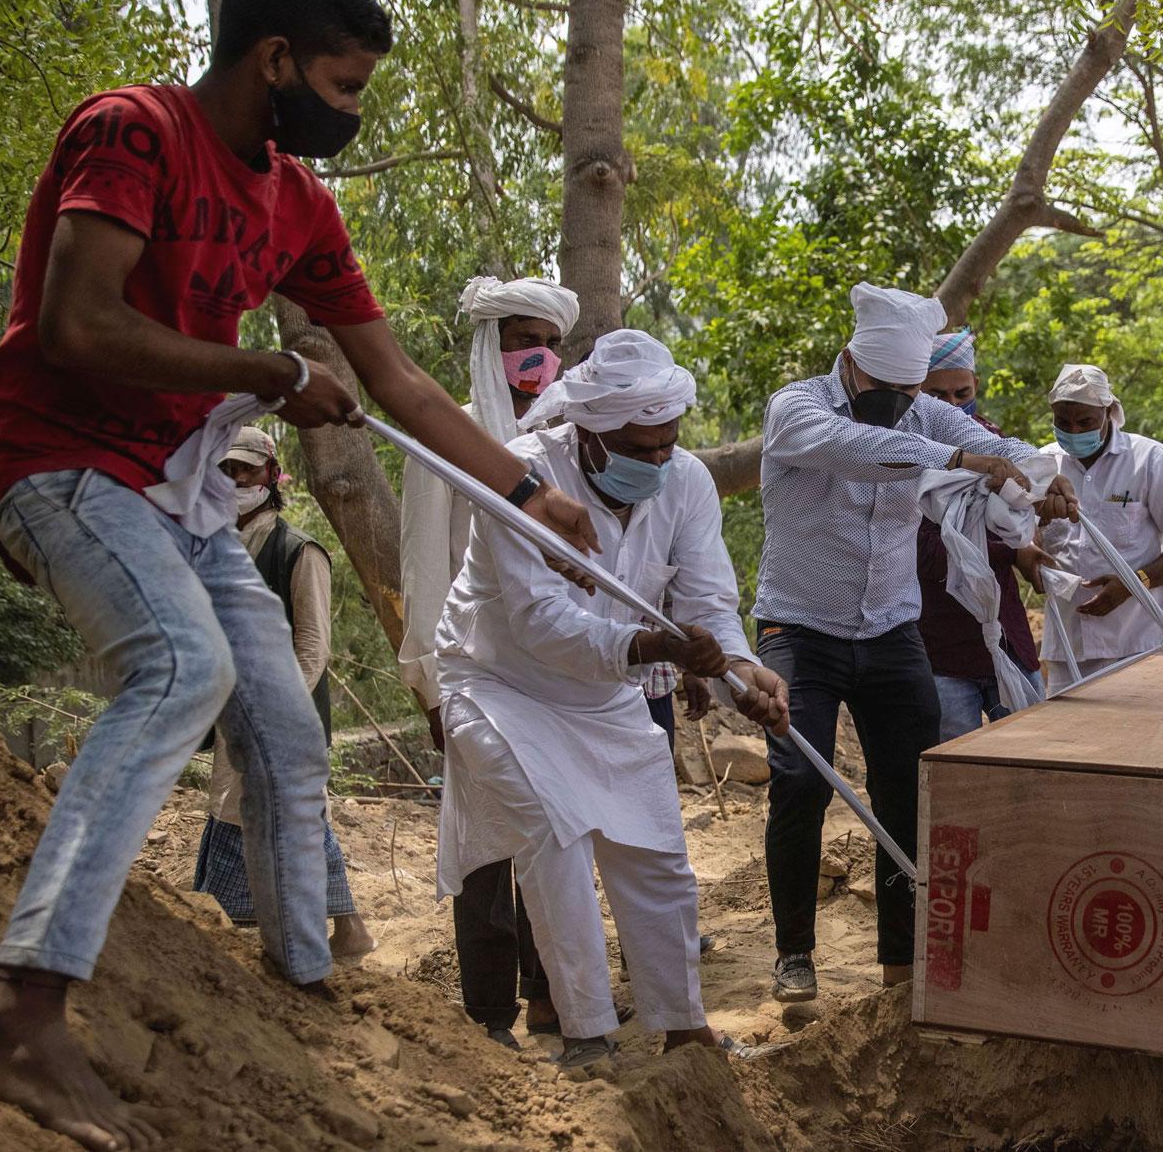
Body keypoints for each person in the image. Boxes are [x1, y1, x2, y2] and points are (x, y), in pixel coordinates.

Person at [0, 0, 599, 1151]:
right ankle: (20, 1008)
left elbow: (393, 375)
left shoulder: (297, 200)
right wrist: (271, 369)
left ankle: (298, 992)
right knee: (182, 670)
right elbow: (78, 326)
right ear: (277, 59)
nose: (348, 112)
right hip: (62, 466)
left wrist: (526, 491)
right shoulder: (133, 133)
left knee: (291, 730)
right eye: (341, 88)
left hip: (177, 499)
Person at [434, 329, 788, 1075]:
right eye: (639, 447)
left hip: (604, 692)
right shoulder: (526, 478)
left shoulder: (684, 480)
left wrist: (740, 672)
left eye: (667, 444)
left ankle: (683, 1026)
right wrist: (658, 649)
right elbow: (539, 624)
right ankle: (586, 1034)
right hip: (500, 682)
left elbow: (706, 599)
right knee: (552, 839)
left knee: (658, 853)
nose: (657, 460)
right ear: (589, 434)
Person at [753, 285, 1077, 1004]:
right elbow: (858, 448)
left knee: (908, 789)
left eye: (909, 390)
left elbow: (1000, 448)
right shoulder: (798, 407)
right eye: (885, 388)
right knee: (800, 779)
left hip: (892, 629)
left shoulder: (924, 410)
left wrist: (1045, 480)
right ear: (850, 364)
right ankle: (794, 952)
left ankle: (900, 963)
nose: (898, 402)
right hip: (799, 626)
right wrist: (960, 456)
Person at [397, 274, 577, 1046]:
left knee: (558, 831)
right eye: (519, 341)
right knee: (481, 848)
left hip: (557, 671)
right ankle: (488, 1012)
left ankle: (551, 994)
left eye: (548, 342)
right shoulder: (449, 433)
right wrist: (431, 686)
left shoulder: (573, 434)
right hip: (470, 667)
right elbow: (422, 566)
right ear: (488, 347)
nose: (536, 356)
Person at [192, 426, 374, 959]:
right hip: (235, 708)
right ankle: (346, 926)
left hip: (276, 713)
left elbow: (313, 647)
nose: (235, 479)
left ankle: (234, 920)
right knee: (267, 809)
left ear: (271, 475)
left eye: (245, 469)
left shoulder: (299, 550)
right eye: (225, 470)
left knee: (260, 810)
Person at [1038, 364, 1163, 684]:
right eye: (1063, 422)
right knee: (1068, 734)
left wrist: (1135, 583)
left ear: (1108, 412)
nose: (1074, 431)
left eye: (1085, 422)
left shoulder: (1149, 460)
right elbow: (1024, 539)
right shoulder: (1042, 465)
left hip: (1140, 645)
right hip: (1068, 647)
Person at [916, 329, 1048, 739]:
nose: (953, 405)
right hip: (938, 643)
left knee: (1033, 754)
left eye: (962, 393)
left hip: (1005, 636)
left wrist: (1028, 551)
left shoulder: (993, 443)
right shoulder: (899, 451)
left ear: (976, 386)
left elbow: (1019, 514)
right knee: (958, 768)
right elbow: (921, 548)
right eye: (937, 396)